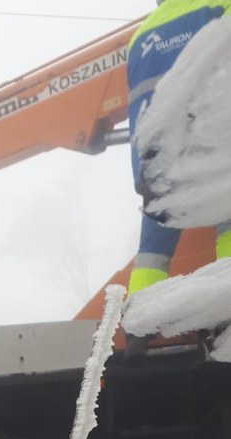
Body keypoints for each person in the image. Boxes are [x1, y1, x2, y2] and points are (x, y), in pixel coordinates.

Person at [127, 0, 231, 297]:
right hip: (211, 157)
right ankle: (226, 315)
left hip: (153, 168)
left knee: (151, 253)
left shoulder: (140, 36)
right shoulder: (218, 8)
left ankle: (136, 332)